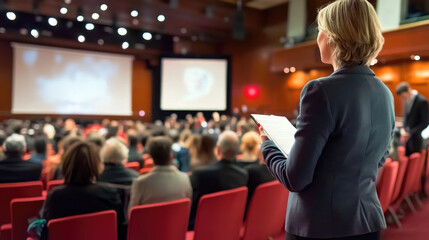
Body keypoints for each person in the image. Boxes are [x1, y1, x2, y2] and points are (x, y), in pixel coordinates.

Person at [259, 1, 393, 239]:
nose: (318, 37)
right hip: (367, 222)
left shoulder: (320, 91)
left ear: (333, 37)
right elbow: (377, 159)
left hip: (320, 226)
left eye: (320, 30)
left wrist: (268, 145)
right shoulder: (385, 93)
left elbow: (295, 178)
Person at [41, 141, 126, 240]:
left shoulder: (56, 196)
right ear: (98, 166)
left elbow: (45, 230)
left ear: (66, 164)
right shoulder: (110, 193)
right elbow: (120, 229)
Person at [189, 130, 248, 229]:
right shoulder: (243, 174)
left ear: (218, 150)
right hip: (230, 226)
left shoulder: (200, 174)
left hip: (202, 227)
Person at [129, 136, 192, 209]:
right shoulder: (185, 178)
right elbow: (188, 208)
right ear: (171, 157)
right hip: (177, 220)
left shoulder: (140, 183)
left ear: (151, 158)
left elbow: (131, 215)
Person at [396, 82, 429, 156]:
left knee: (416, 162)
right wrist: (403, 129)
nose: (402, 99)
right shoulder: (406, 101)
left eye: (403, 96)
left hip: (417, 139)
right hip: (408, 139)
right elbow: (406, 118)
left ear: (408, 91)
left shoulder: (422, 101)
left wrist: (411, 133)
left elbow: (425, 122)